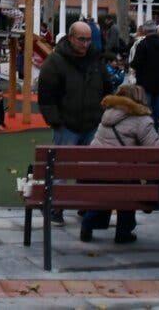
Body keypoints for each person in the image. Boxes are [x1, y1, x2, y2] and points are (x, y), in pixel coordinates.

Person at [36, 20, 111, 223]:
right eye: (81, 39)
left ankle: (84, 206)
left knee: (89, 167)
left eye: (88, 40)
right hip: (66, 123)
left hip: (92, 122)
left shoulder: (96, 60)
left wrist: (101, 114)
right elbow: (46, 94)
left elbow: (107, 87)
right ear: (70, 38)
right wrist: (55, 121)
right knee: (62, 167)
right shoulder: (55, 62)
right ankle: (55, 208)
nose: (85, 44)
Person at [80, 83, 159, 244]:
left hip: (94, 171)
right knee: (129, 181)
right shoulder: (142, 120)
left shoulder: (108, 113)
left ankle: (89, 223)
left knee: (115, 181)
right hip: (120, 175)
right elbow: (157, 151)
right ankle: (124, 231)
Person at [131, 24, 159, 121]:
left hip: (146, 84)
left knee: (145, 113)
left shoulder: (143, 44)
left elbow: (135, 63)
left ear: (145, 32)